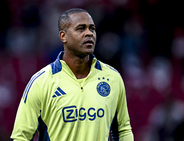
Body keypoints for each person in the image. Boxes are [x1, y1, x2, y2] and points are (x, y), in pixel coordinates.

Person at [10, 8, 134, 141]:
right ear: (63, 36)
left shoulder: (112, 78)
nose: (89, 33)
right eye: (81, 29)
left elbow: (123, 130)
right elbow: (20, 137)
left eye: (92, 29)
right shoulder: (41, 81)